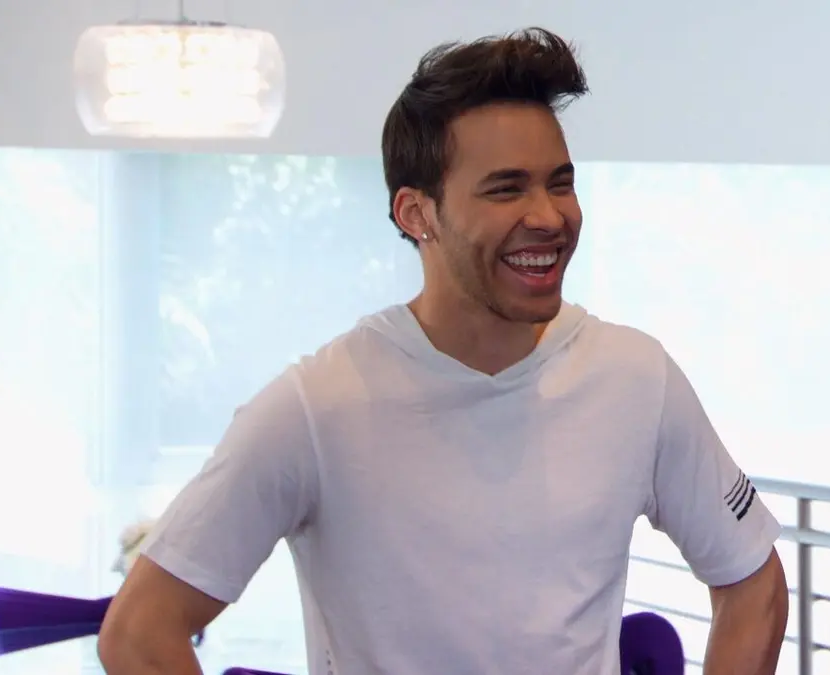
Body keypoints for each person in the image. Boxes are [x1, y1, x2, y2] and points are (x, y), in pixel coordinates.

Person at [98, 27, 788, 675]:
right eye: (506, 188)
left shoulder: (636, 378)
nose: (549, 215)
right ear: (417, 213)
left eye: (560, 182)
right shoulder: (316, 408)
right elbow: (139, 632)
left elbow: (753, 583)